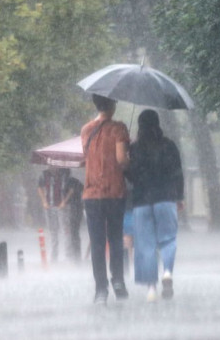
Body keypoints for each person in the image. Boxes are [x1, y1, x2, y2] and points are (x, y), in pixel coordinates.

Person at [125, 109, 184, 302]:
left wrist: (128, 161)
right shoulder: (169, 146)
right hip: (166, 198)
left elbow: (131, 176)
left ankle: (151, 288)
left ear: (140, 126)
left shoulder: (134, 149)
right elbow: (177, 173)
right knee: (168, 239)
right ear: (157, 124)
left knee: (145, 245)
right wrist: (179, 197)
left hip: (142, 201)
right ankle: (167, 271)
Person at [81, 93, 130, 304]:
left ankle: (101, 289)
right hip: (114, 192)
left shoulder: (86, 130)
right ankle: (118, 280)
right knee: (115, 239)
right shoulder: (119, 128)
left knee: (98, 242)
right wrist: (128, 159)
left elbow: (87, 156)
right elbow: (121, 160)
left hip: (91, 194)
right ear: (112, 105)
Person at [37, 166, 67, 262]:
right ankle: (54, 256)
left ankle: (68, 255)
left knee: (65, 230)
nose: (52, 167)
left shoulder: (64, 173)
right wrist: (44, 201)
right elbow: (40, 187)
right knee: (53, 231)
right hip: (49, 206)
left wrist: (64, 202)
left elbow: (70, 188)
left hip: (61, 206)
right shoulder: (44, 174)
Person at [59, 168, 84, 263]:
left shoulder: (66, 182)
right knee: (74, 233)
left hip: (72, 209)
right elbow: (82, 189)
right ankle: (76, 255)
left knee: (71, 232)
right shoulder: (75, 181)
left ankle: (74, 255)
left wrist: (63, 202)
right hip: (78, 208)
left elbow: (71, 191)